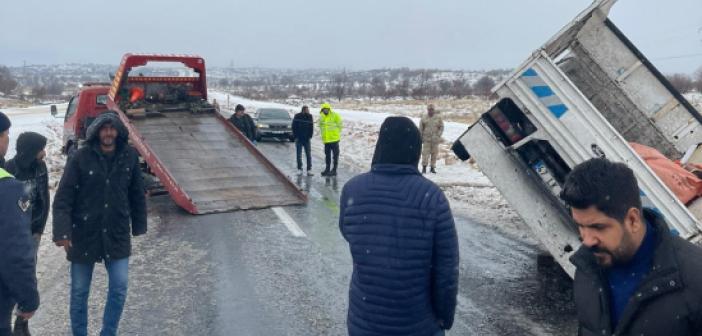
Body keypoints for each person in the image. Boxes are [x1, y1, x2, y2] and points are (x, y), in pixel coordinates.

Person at [339, 116, 459, 336]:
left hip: (363, 321)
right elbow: (446, 271)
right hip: (416, 324)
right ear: (414, 151)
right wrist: (444, 317)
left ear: (380, 147)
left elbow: (349, 233)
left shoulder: (352, 189)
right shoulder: (432, 197)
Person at [561, 158, 702, 335]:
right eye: (580, 226)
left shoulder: (695, 280)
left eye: (597, 227)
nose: (587, 240)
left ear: (633, 220)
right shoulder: (587, 268)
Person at [53, 111, 147, 336]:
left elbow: (136, 193)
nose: (108, 133)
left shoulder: (129, 156)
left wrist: (139, 225)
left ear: (118, 132)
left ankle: (108, 332)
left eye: (112, 128)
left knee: (119, 288)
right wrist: (62, 232)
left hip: (117, 233)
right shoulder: (80, 157)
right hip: (83, 233)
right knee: (79, 292)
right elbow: (63, 198)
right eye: (104, 129)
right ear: (96, 131)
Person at [4, 132, 49, 335]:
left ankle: (22, 322)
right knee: (14, 271)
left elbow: (45, 200)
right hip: (15, 230)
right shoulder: (9, 169)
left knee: (28, 272)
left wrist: (40, 229)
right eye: (41, 148)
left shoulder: (41, 167)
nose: (44, 153)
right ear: (32, 150)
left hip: (33, 231)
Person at [0, 111, 40, 336]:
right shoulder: (8, 188)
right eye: (5, 134)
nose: (7, 140)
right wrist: (28, 299)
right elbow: (13, 252)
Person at [318, 103, 342, 177]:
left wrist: (336, 133)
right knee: (327, 156)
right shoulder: (321, 117)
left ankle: (334, 170)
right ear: (322, 110)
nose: (325, 110)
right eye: (324, 109)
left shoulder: (335, 115)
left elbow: (340, 125)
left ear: (329, 109)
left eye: (326, 109)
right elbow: (321, 127)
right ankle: (327, 169)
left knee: (335, 156)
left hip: (334, 140)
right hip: (326, 141)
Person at [419, 104, 444, 174]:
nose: (430, 111)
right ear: (427, 110)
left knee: (434, 154)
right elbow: (421, 128)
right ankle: (424, 168)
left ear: (434, 110)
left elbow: (441, 127)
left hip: (435, 139)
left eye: (432, 110)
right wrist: (420, 138)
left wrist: (438, 135)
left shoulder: (438, 118)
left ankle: (432, 168)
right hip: (426, 139)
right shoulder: (424, 118)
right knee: (425, 154)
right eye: (429, 110)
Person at [292, 105, 313, 176]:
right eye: (307, 110)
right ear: (303, 110)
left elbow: (311, 127)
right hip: (299, 139)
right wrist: (295, 137)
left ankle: (309, 169)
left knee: (308, 155)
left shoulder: (310, 116)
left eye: (308, 110)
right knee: (299, 155)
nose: (308, 111)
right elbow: (293, 126)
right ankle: (299, 169)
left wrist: (310, 136)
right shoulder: (297, 116)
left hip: (307, 139)